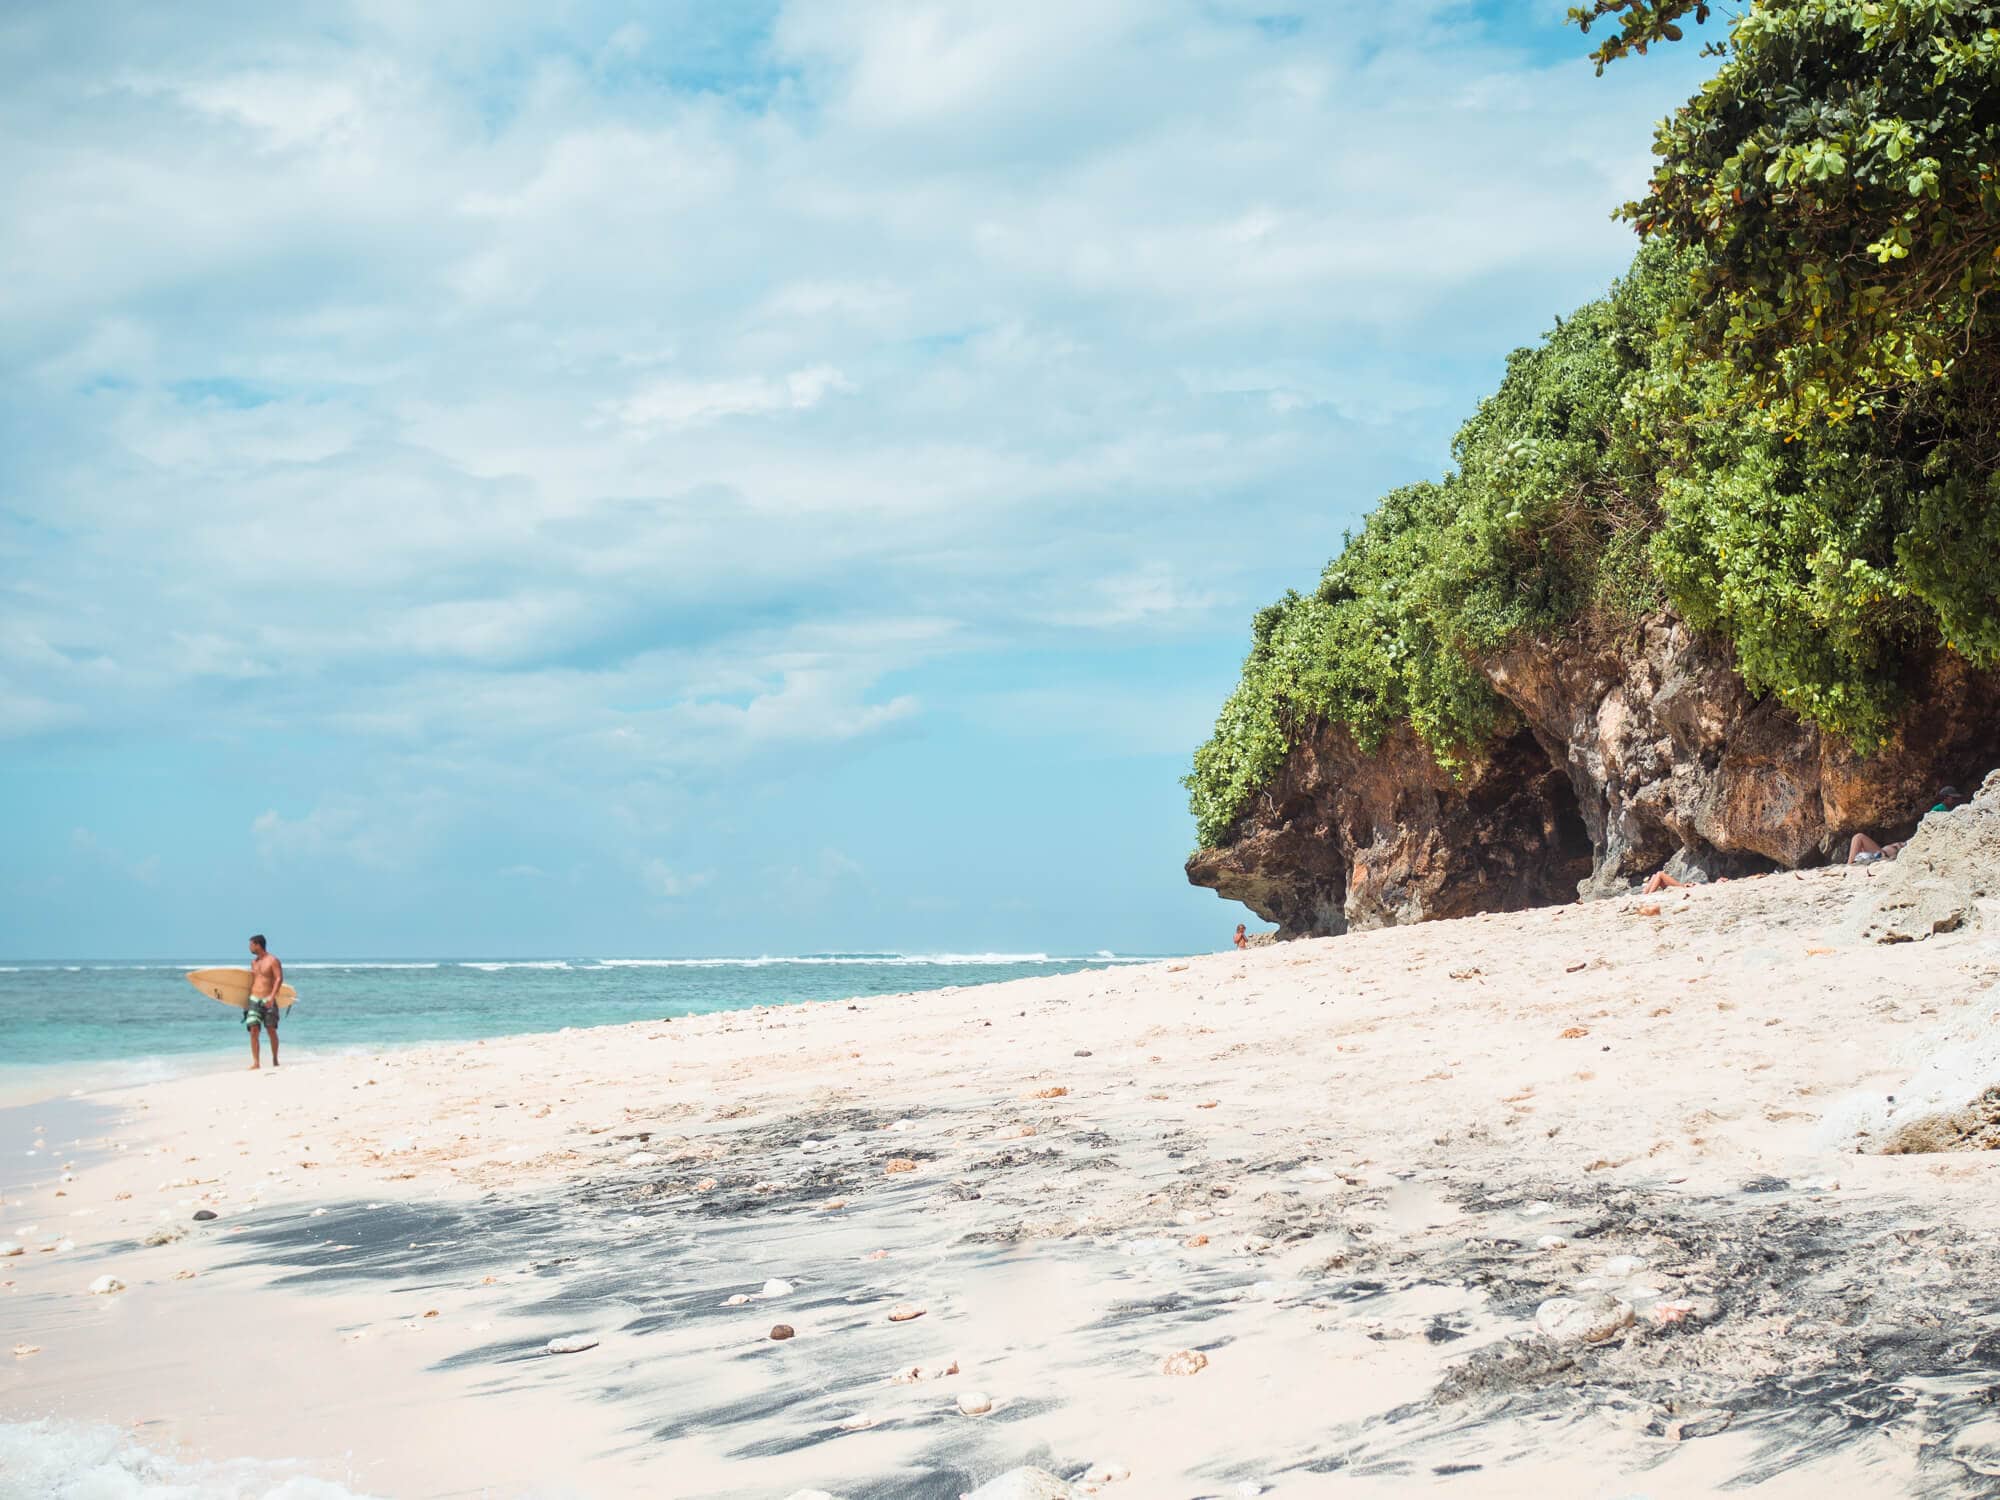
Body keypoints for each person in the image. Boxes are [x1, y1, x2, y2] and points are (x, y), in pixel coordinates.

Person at [1848, 786, 1966, 865]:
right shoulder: (1939, 809)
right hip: (1881, 854)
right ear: (1946, 798)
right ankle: (1850, 863)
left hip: (1881, 854)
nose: (1954, 800)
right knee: (1858, 837)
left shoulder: (1910, 846)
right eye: (1953, 798)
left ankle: (1850, 863)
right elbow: (1930, 824)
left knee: (1858, 837)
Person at [246, 934, 283, 1071]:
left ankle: (275, 1059)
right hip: (254, 999)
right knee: (253, 1030)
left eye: (251, 944)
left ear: (258, 945)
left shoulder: (273, 960)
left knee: (271, 1030)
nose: (249, 947)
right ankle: (256, 1062)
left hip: (268, 998)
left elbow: (279, 979)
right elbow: (253, 981)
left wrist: (272, 997)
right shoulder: (253, 963)